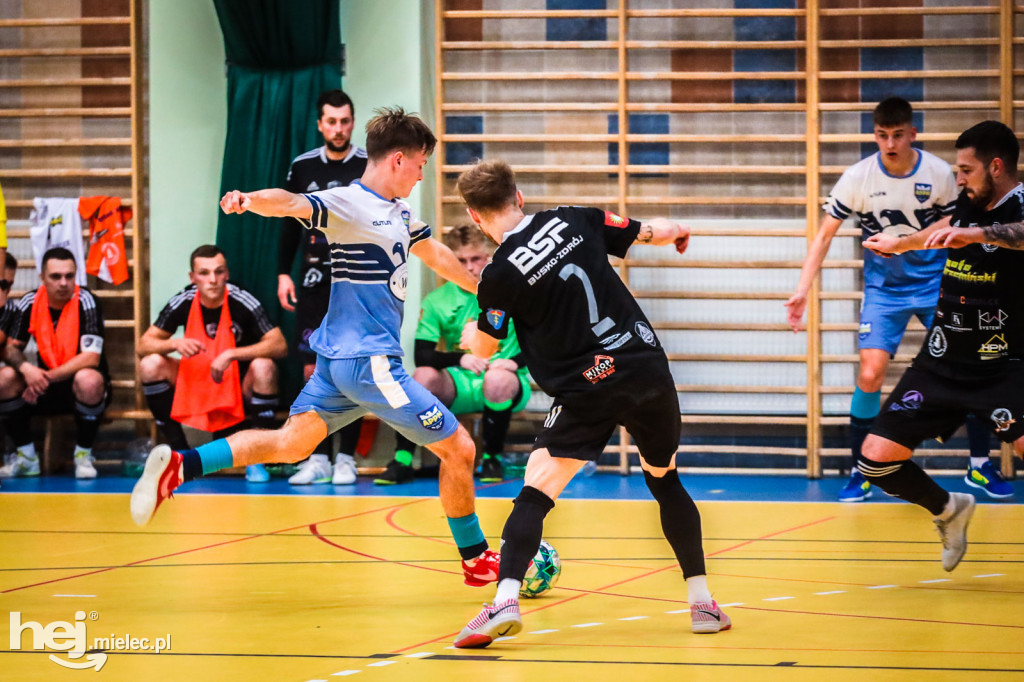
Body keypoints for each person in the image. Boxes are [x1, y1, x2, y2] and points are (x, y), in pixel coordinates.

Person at [130, 107, 501, 587]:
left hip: (337, 365)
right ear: (398, 160)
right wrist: (248, 200)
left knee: (290, 444)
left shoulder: (400, 212)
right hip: (370, 364)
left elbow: (435, 254)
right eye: (421, 164)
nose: (422, 174)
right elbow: (289, 203)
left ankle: (180, 467)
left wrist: (479, 286)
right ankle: (476, 559)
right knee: (460, 448)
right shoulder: (348, 203)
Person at [451, 159, 730, 649]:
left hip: (588, 386)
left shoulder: (497, 275)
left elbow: (486, 350)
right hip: (646, 369)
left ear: (475, 217)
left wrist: (470, 334)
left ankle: (505, 600)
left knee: (535, 491)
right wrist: (680, 230)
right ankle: (703, 603)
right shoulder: (574, 216)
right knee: (665, 481)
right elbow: (651, 232)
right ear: (518, 197)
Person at [785, 97, 1004, 502]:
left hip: (937, 283)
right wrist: (802, 289)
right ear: (875, 135)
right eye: (882, 136)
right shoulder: (858, 177)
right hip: (885, 291)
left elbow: (959, 222)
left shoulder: (939, 173)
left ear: (912, 134)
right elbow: (823, 236)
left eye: (898, 135)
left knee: (970, 365)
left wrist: (910, 245)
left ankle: (980, 466)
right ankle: (861, 471)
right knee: (870, 374)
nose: (890, 144)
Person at [861, 120, 1024, 571]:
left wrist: (980, 236)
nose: (961, 178)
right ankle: (949, 510)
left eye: (967, 170)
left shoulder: (1018, 207)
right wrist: (901, 244)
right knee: (877, 461)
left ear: (996, 166)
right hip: (940, 362)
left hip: (1003, 367)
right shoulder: (970, 203)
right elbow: (946, 227)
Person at [374, 224, 531, 485]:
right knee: (421, 377)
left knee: (498, 379)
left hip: (507, 382)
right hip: (461, 381)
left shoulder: (513, 292)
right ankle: (402, 459)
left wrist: (513, 363)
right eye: (461, 260)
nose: (469, 267)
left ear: (488, 257)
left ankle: (492, 458)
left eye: (475, 259)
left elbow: (543, 343)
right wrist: (461, 359)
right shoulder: (438, 300)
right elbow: (422, 354)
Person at [137, 245, 288, 483]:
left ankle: (258, 458)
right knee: (150, 364)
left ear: (227, 274)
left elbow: (279, 344)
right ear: (192, 277)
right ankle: (181, 453)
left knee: (264, 366)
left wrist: (231, 354)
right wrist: (174, 344)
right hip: (196, 382)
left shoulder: (241, 298)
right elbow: (143, 345)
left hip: (236, 386)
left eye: (219, 272)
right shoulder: (184, 299)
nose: (213, 280)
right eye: (204, 273)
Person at [279, 89, 368, 487]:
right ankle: (316, 457)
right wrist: (283, 272)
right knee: (313, 368)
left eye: (345, 121)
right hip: (314, 280)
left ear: (352, 122)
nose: (338, 128)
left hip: (358, 280)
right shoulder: (302, 166)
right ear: (320, 124)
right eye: (331, 121)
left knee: (352, 366)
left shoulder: (369, 164)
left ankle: (346, 458)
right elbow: (286, 222)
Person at [0, 247, 109, 479]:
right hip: (44, 388)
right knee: (5, 378)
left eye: (69, 276)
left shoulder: (87, 301)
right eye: (55, 277)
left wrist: (43, 377)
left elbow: (91, 357)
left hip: (80, 388)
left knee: (88, 379)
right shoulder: (30, 301)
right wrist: (28, 370)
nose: (63, 283)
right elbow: (11, 348)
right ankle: (27, 458)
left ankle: (83, 455)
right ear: (42, 278)